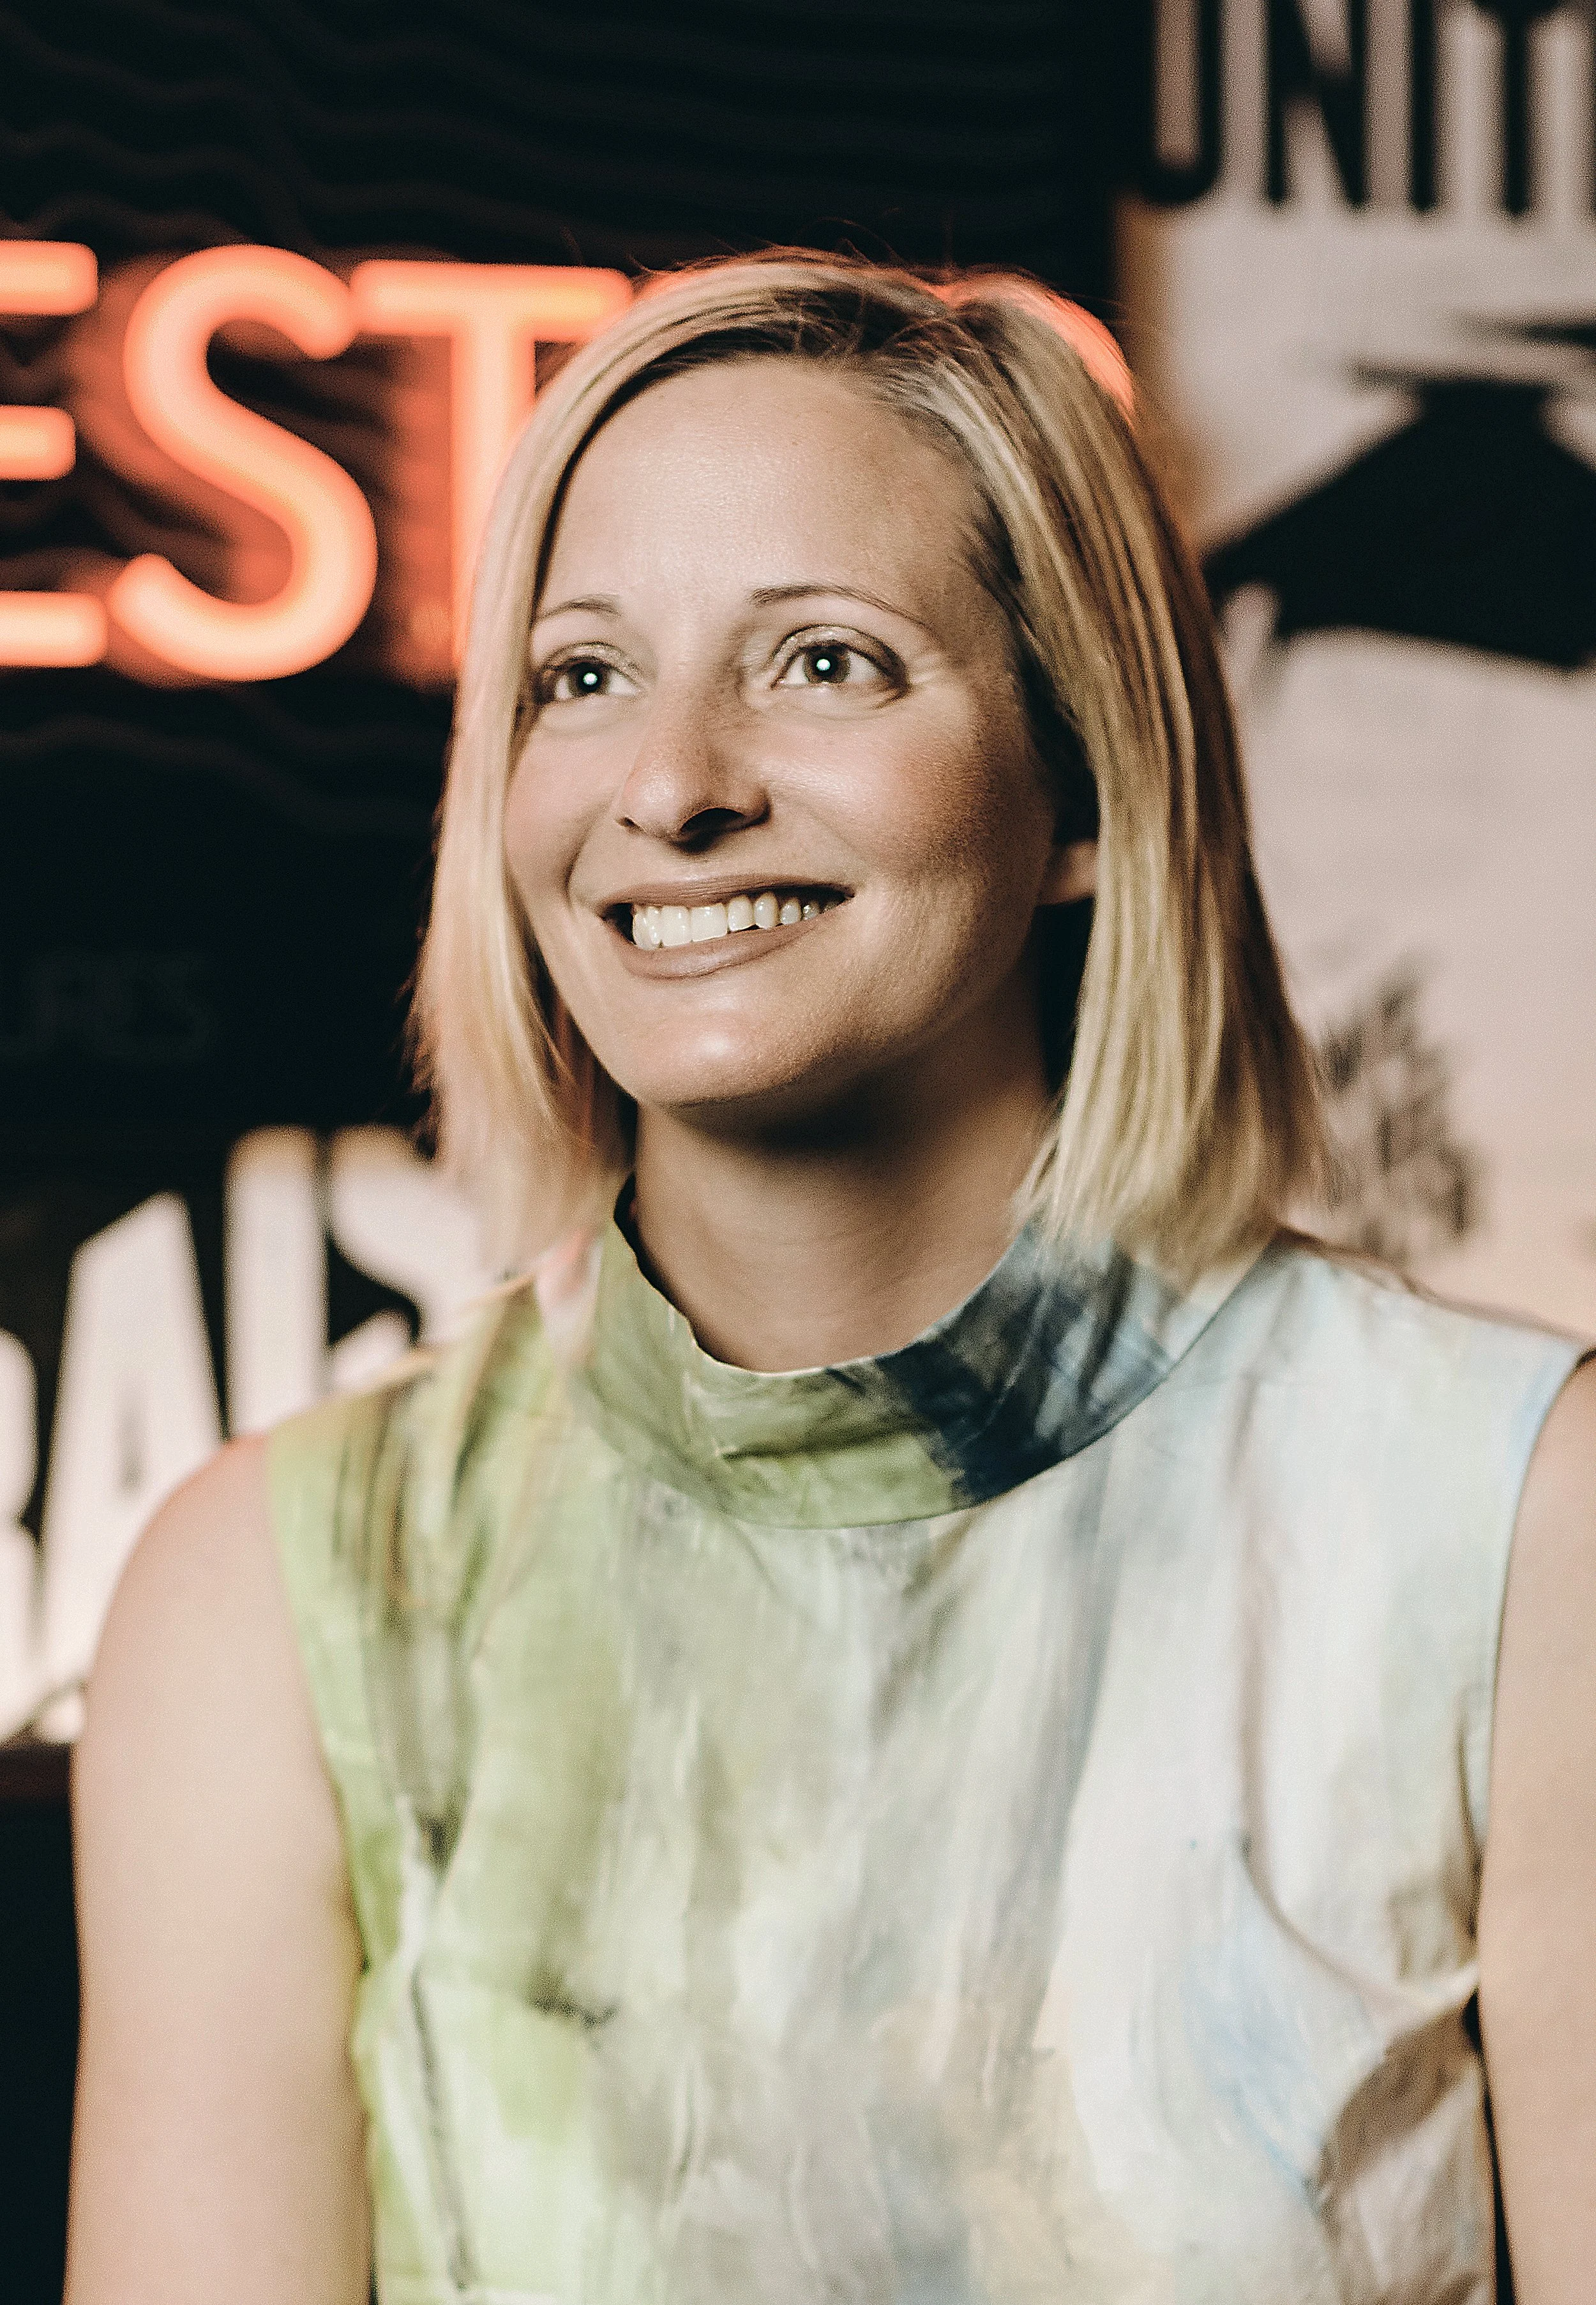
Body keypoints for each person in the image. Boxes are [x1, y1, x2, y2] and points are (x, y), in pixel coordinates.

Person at [64, 257, 1595, 2305]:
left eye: (826, 664)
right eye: (581, 677)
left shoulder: (1510, 1522)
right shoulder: (284, 1589)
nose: (672, 787)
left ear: (1081, 784)